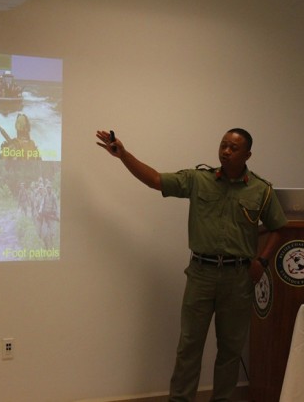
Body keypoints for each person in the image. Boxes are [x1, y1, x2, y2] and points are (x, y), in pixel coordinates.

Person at [96, 128, 287, 402]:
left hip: (238, 278)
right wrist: (123, 155)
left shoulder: (261, 190)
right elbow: (154, 180)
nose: (225, 151)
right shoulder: (198, 179)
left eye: (233, 148)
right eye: (223, 145)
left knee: (231, 350)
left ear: (248, 154)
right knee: (189, 347)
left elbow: (278, 227)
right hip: (201, 274)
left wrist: (263, 261)